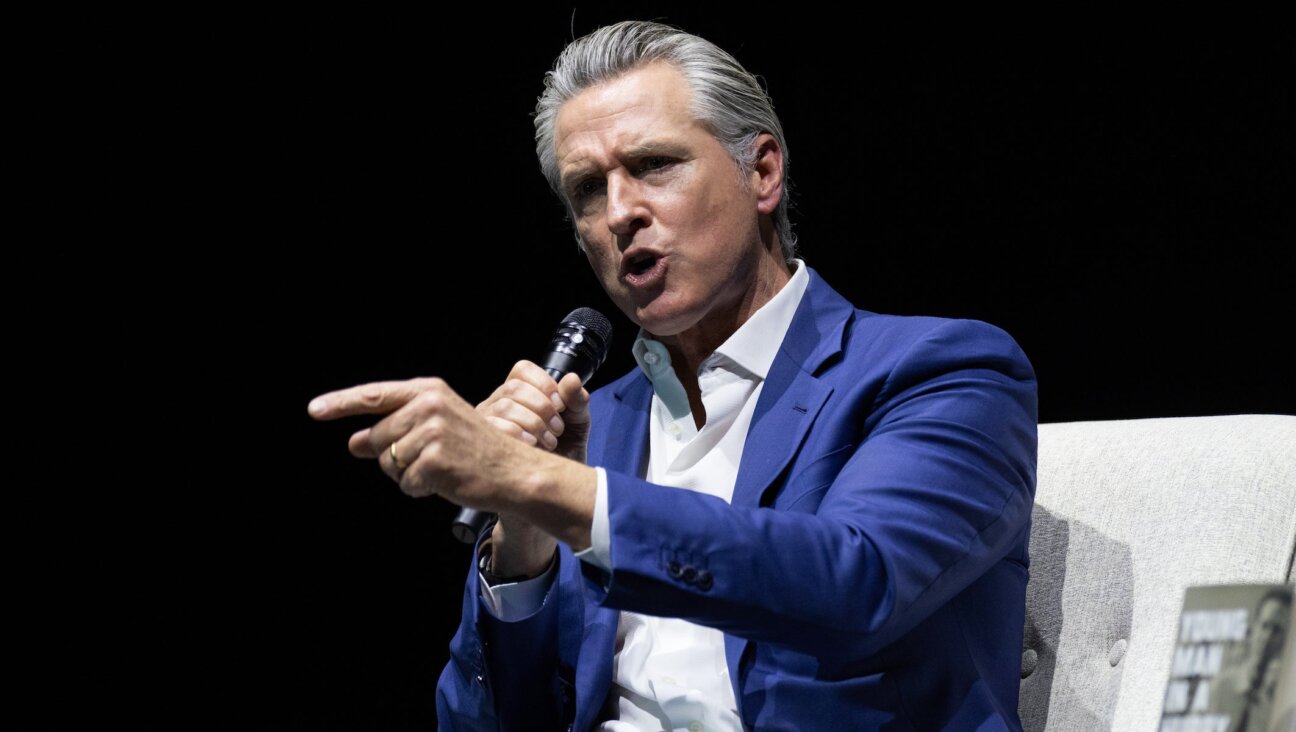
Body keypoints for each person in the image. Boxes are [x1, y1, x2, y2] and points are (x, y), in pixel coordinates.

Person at [309, 20, 1038, 730]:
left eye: (654, 165)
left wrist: (536, 484)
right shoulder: (591, 423)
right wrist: (523, 542)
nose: (621, 212)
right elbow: (483, 721)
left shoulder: (939, 371)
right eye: (588, 190)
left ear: (763, 172)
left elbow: (857, 585)